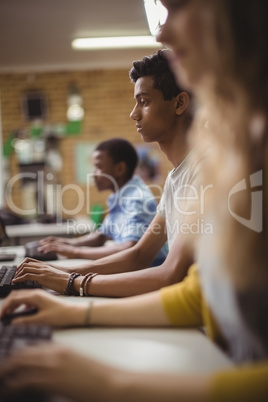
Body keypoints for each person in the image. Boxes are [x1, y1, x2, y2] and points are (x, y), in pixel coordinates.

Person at [0, 0, 268, 401]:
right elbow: (188, 284)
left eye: (177, 8)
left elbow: (161, 269)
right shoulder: (217, 162)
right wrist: (71, 288)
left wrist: (73, 283)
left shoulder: (221, 167)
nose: (162, 32)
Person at [12, 49, 197, 297]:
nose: (134, 113)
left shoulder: (201, 172)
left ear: (179, 102)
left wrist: (73, 281)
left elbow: (170, 272)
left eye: (144, 102)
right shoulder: (176, 178)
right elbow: (139, 255)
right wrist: (64, 273)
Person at [37, 137, 167, 266]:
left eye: (98, 167)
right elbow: (102, 236)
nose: (93, 174)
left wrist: (75, 251)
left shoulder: (137, 199)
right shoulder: (120, 196)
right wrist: (66, 243)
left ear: (120, 169)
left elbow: (128, 247)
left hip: (150, 271)